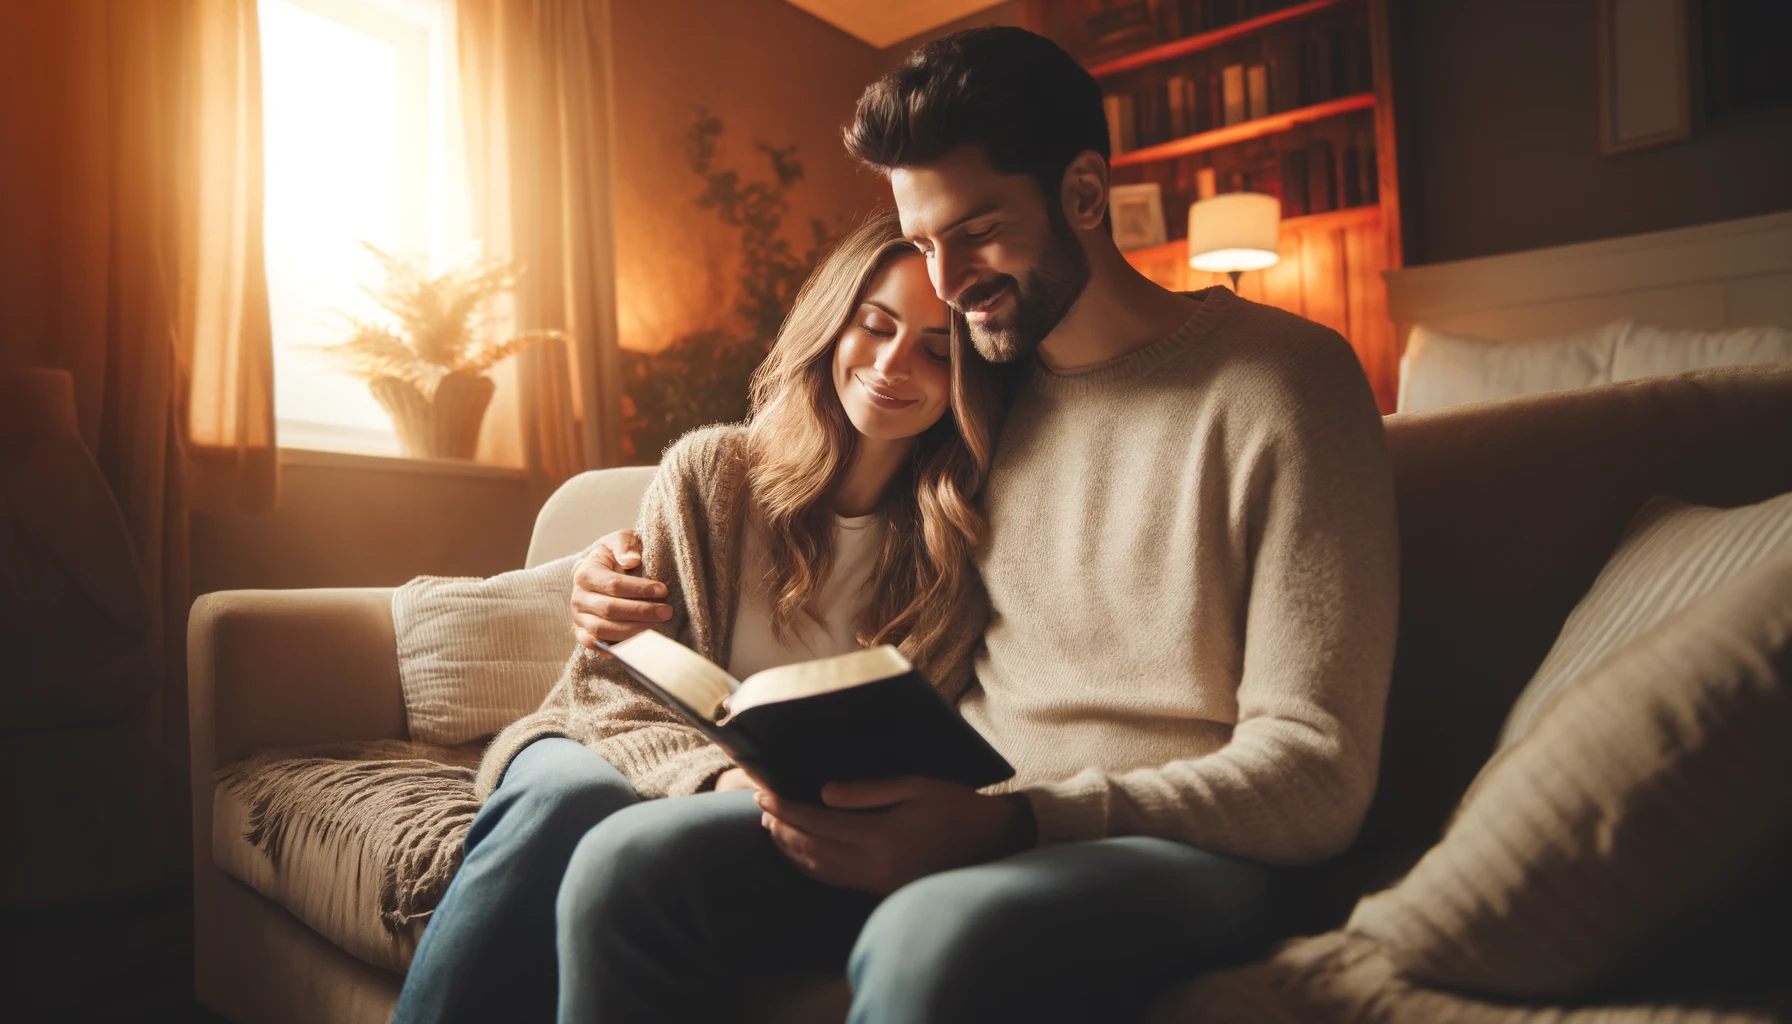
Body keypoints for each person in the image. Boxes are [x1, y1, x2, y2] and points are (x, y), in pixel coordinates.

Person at [561, 25, 1399, 1024]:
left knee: (933, 938)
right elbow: (802, 478)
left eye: (977, 231)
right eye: (923, 242)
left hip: (1169, 846)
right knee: (622, 866)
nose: (948, 282)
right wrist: (606, 569)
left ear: (1083, 193)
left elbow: (1318, 773)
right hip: (955, 814)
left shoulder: (1286, 382)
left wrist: (1014, 824)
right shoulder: (979, 398)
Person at [391, 208, 1010, 1024]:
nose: (895, 364)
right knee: (570, 804)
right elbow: (612, 688)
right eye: (876, 325)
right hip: (604, 745)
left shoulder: (953, 550)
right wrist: (719, 777)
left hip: (780, 813)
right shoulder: (713, 473)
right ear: (835, 324)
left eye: (937, 350)